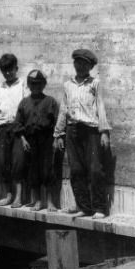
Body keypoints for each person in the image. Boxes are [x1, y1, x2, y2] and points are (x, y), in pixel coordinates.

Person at [54, 49, 112, 219]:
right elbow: (63, 110)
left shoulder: (95, 84)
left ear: (90, 66)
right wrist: (58, 134)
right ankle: (83, 206)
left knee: (95, 170)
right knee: (76, 170)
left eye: (84, 64)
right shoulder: (68, 85)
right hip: (72, 131)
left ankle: (100, 208)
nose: (80, 66)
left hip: (91, 131)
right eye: (77, 63)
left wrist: (104, 132)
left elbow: (100, 106)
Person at [12, 69, 60, 211]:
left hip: (46, 139)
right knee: (33, 171)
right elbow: (18, 124)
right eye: (32, 84)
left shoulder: (50, 101)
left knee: (48, 170)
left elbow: (57, 121)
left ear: (44, 85)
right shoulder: (24, 103)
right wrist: (23, 140)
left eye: (39, 84)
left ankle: (50, 202)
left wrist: (56, 139)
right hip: (30, 140)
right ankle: (38, 201)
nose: (36, 87)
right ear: (28, 85)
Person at [0, 54, 29, 206]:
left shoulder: (23, 85)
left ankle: (19, 197)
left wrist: (24, 132)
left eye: (10, 70)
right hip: (2, 128)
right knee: (4, 162)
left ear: (16, 69)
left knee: (18, 162)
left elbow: (26, 107)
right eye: (4, 71)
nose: (7, 73)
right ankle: (8, 195)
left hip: (18, 128)